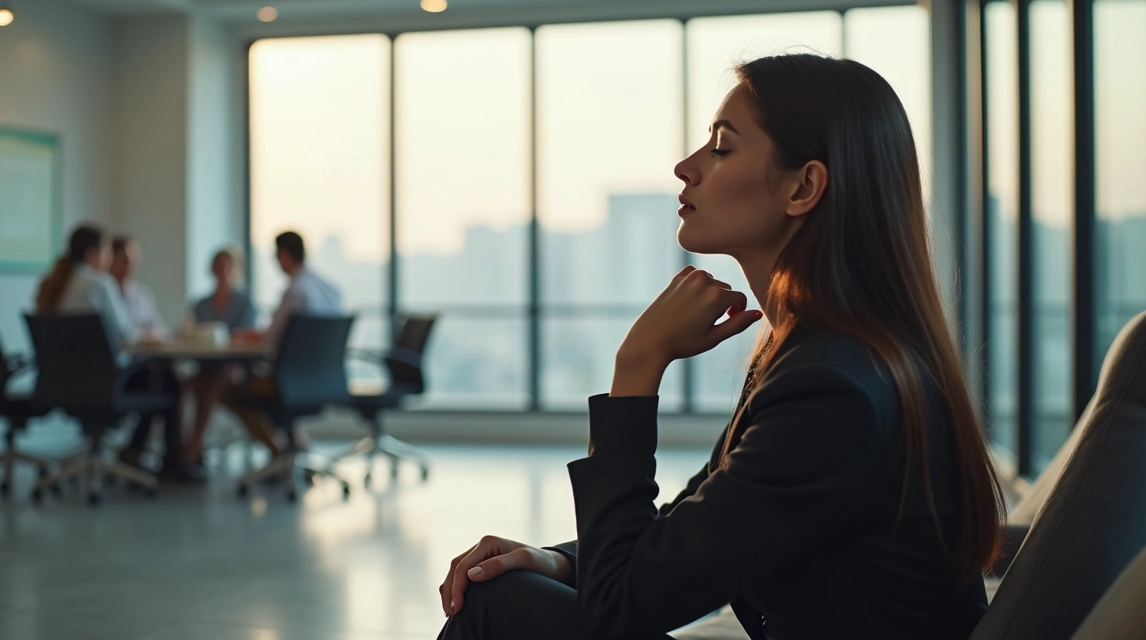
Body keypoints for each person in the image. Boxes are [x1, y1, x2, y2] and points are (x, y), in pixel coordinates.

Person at [436, 54, 1005, 640]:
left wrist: (638, 367)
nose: (686, 167)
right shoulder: (827, 355)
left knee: (494, 608)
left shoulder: (833, 388)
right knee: (502, 587)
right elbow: (689, 534)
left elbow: (624, 608)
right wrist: (555, 559)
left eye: (721, 148)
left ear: (804, 186)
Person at [34, 225, 194, 481]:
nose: (109, 259)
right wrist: (150, 336)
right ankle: (171, 463)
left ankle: (133, 450)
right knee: (168, 382)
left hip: (61, 383)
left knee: (157, 380)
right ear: (91, 253)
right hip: (102, 383)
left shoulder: (56, 284)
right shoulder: (99, 284)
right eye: (108, 251)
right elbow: (126, 335)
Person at [223, 231, 344, 455]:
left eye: (276, 256)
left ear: (284, 255)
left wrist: (246, 336)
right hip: (324, 378)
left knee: (225, 386)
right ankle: (295, 445)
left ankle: (277, 450)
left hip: (291, 382)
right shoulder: (330, 289)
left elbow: (271, 340)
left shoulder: (296, 291)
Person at [180, 248, 258, 466]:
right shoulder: (201, 304)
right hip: (205, 367)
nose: (223, 270)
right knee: (183, 385)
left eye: (228, 265)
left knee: (211, 383)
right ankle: (183, 448)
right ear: (212, 269)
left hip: (235, 370)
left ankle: (192, 449)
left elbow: (247, 336)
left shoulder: (244, 303)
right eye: (219, 265)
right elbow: (191, 334)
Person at [109, 235, 168, 341]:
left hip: (144, 354)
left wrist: (152, 334)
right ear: (111, 258)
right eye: (123, 257)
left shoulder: (143, 293)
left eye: (134, 256)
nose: (129, 262)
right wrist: (143, 335)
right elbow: (117, 331)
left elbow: (161, 329)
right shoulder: (105, 291)